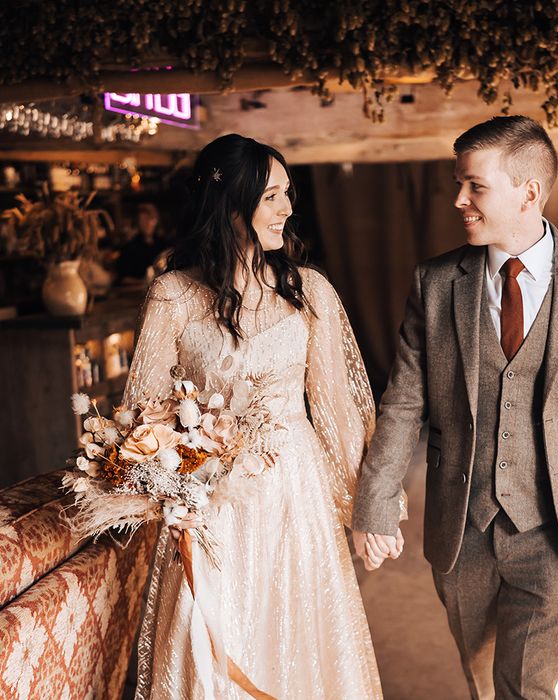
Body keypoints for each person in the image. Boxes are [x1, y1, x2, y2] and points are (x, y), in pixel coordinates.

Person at [352, 116, 558, 699]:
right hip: (462, 528)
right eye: (458, 183)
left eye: (475, 185)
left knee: (528, 687)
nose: (459, 199)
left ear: (528, 191)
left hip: (554, 528)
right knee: (482, 677)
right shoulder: (436, 283)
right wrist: (375, 502)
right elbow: (404, 401)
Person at [125, 134, 398, 699]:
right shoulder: (173, 295)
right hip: (209, 506)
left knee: (301, 642)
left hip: (296, 499)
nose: (288, 209)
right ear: (233, 204)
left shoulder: (310, 292)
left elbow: (338, 414)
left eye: (288, 194)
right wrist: (169, 488)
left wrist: (369, 509)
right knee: (210, 646)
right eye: (273, 196)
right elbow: (141, 417)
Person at [116, 202, 167, 282]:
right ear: (137, 222)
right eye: (143, 220)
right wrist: (143, 282)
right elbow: (123, 279)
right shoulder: (129, 248)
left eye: (150, 219)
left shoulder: (163, 245)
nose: (147, 224)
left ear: (156, 221)